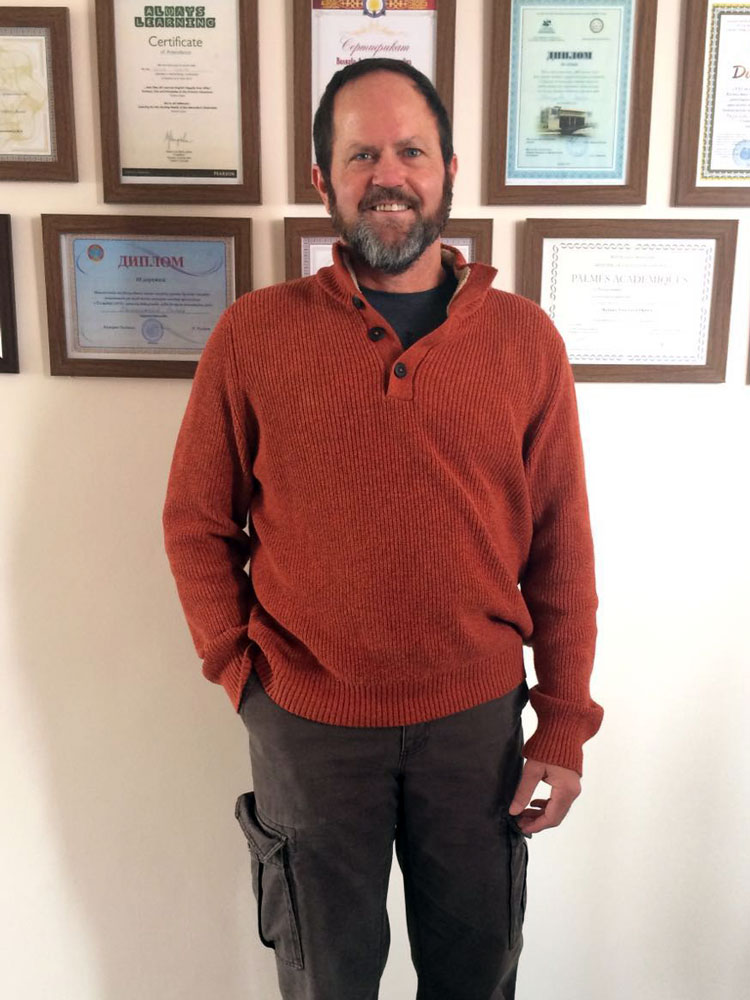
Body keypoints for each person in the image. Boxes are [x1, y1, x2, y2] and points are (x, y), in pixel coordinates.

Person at [163, 57, 603, 1000]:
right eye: (361, 154)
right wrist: (242, 673)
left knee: (475, 977)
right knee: (325, 980)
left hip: (477, 727)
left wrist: (563, 722)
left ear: (449, 169)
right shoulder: (254, 334)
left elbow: (561, 547)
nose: (388, 175)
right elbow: (197, 524)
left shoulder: (525, 340)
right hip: (309, 725)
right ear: (323, 177)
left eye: (411, 151)